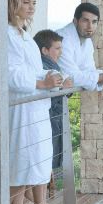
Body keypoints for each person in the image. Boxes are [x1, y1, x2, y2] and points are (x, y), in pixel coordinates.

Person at [6, 0, 63, 204]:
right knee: (22, 155)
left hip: (36, 104)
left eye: (34, 3)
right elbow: (11, 74)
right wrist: (41, 82)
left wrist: (55, 76)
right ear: (14, 4)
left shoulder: (25, 35)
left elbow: (33, 68)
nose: (31, 7)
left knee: (39, 154)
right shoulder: (7, 34)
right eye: (26, 2)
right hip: (21, 105)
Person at [59, 2, 103, 91]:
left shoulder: (87, 41)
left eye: (94, 22)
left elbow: (88, 71)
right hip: (43, 95)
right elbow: (71, 77)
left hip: (60, 95)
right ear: (75, 21)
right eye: (85, 21)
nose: (90, 27)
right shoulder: (62, 39)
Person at [34, 28, 71, 173]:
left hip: (52, 120)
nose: (60, 52)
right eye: (57, 48)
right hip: (48, 120)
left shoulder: (51, 66)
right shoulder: (45, 68)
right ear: (45, 50)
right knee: (43, 164)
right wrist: (63, 88)